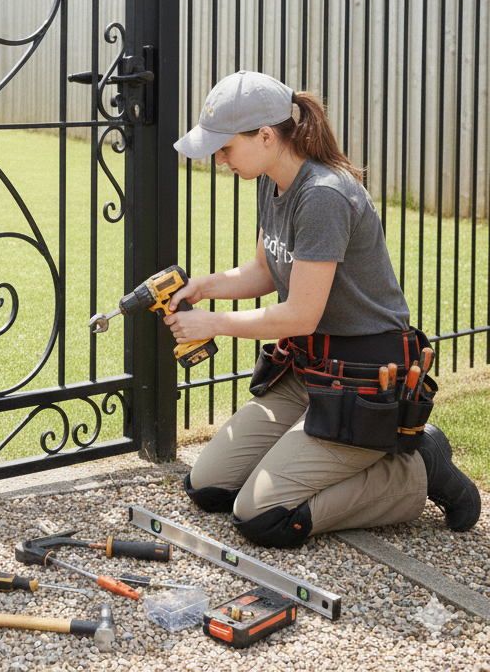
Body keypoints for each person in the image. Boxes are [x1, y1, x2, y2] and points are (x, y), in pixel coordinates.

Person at [165, 69, 481, 548]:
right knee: (208, 488)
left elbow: (298, 315)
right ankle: (325, 447)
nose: (220, 158)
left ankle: (418, 467)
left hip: (361, 381)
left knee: (261, 517)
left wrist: (209, 323)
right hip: (309, 370)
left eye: (225, 147)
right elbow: (266, 271)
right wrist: (202, 288)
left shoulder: (322, 196)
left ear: (266, 136)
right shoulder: (271, 181)